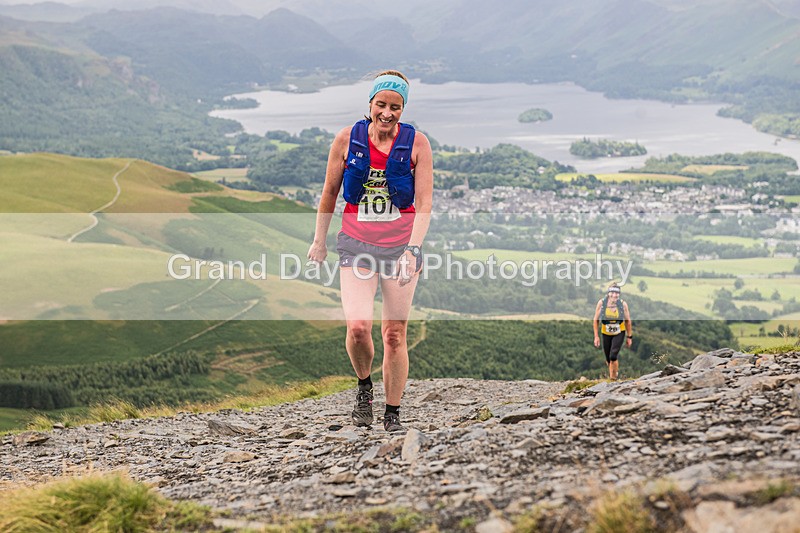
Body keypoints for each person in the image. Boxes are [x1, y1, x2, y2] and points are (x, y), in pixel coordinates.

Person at [307, 70, 433, 433]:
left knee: (394, 334)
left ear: (403, 108)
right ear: (371, 103)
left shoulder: (417, 144)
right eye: (381, 104)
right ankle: (364, 389)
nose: (387, 113)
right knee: (359, 328)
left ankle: (392, 412)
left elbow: (424, 203)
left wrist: (413, 249)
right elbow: (330, 193)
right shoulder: (347, 139)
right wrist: (319, 241)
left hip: (400, 247)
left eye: (396, 107)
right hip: (356, 244)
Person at [593, 282, 633, 380]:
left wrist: (629, 336)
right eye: (612, 293)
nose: (614, 295)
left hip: (619, 332)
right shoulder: (602, 303)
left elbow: (627, 321)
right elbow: (596, 320)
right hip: (605, 333)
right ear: (608, 293)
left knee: (613, 355)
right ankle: (613, 372)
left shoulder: (623, 304)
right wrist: (596, 336)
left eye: (617, 293)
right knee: (608, 358)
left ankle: (613, 379)